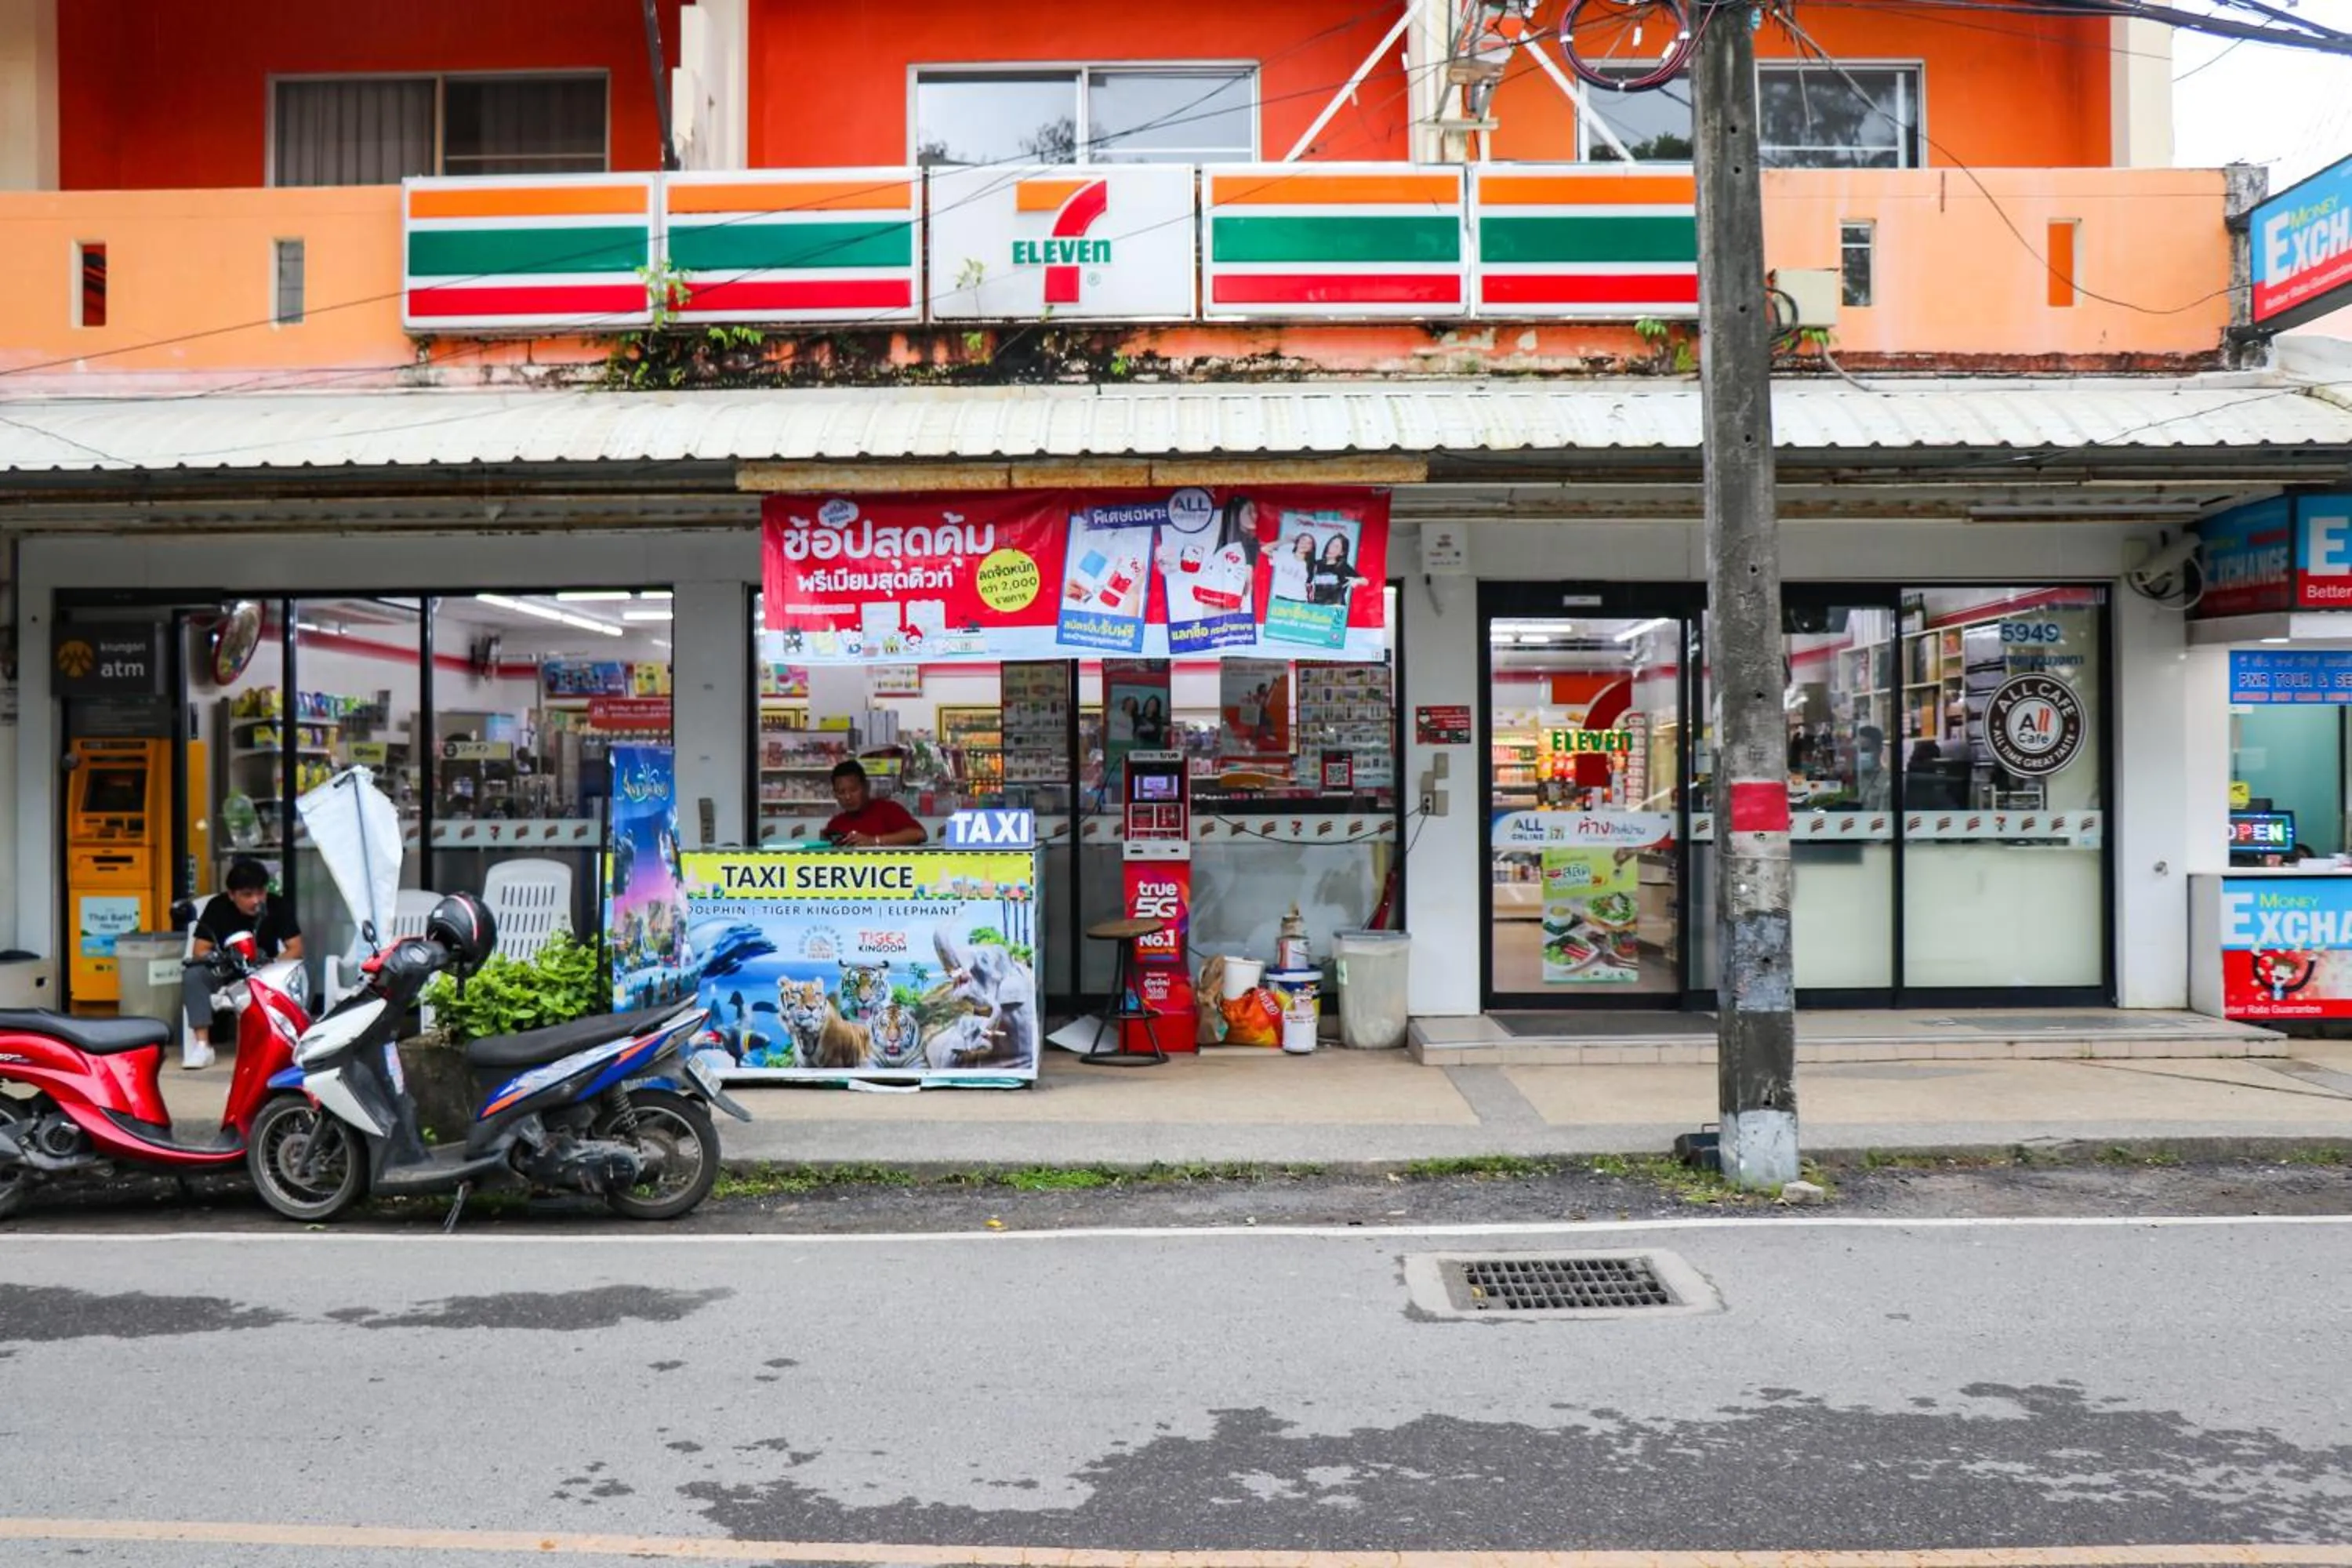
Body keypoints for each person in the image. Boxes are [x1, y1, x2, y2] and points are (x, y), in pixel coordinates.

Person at [180, 857, 303, 1070]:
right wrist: (225, 958)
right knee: (193, 975)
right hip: (226, 968)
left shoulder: (277, 906)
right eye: (247, 895)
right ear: (232, 895)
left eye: (261, 893)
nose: (256, 900)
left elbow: (296, 948)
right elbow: (200, 950)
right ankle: (202, 1046)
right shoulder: (218, 907)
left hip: (264, 970)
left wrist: (273, 964)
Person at [822, 760, 927, 848]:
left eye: (853, 790)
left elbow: (919, 834)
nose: (848, 797)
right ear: (835, 794)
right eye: (841, 792)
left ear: (866, 787)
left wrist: (874, 841)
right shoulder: (835, 824)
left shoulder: (887, 810)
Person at [1308, 533, 1363, 607]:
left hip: (1335, 608)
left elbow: (1364, 581)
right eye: (1331, 544)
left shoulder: (1343, 567)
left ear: (1342, 553)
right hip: (1316, 606)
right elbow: (1308, 583)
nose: (1331, 548)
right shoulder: (1317, 564)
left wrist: (1355, 581)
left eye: (1336, 546)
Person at [1853, 724, 1891, 811]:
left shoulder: (1887, 782)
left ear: (1880, 750)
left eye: (1865, 750)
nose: (1859, 755)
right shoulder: (1852, 779)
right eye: (1856, 750)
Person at [1271, 530, 1316, 603]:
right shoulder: (1283, 556)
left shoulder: (1312, 565)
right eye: (1303, 540)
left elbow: (1311, 587)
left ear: (1311, 548)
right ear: (1297, 542)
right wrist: (1284, 541)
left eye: (1309, 543)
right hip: (1280, 597)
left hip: (1300, 601)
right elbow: (1265, 549)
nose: (1304, 544)